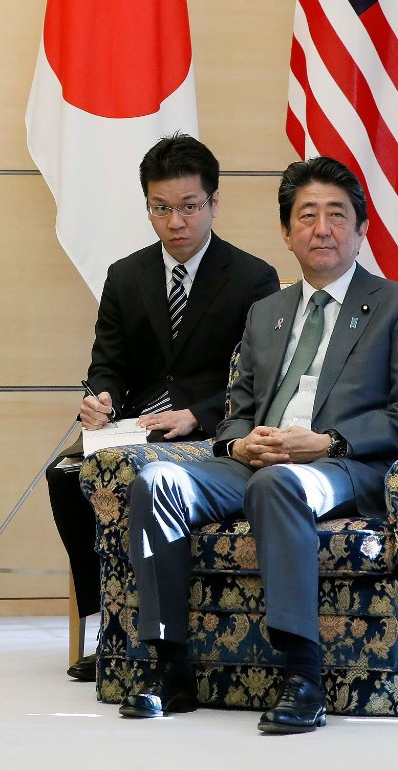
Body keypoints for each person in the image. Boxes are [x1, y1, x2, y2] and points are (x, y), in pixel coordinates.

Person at [120, 156, 398, 734]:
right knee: (156, 481)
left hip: (346, 465)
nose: (322, 229)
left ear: (362, 229)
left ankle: (304, 674)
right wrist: (239, 445)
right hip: (261, 461)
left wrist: (327, 441)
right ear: (287, 233)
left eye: (337, 216)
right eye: (307, 216)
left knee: (280, 483)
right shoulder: (266, 312)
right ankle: (169, 667)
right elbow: (236, 409)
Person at [47, 135, 278, 682]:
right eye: (161, 208)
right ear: (147, 205)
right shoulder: (126, 276)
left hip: (210, 423)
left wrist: (197, 415)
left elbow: (260, 378)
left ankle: (157, 629)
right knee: (64, 476)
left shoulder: (252, 277)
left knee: (147, 477)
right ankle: (108, 624)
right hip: (135, 423)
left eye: (189, 206)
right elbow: (108, 361)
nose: (176, 221)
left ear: (214, 203)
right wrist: (101, 398)